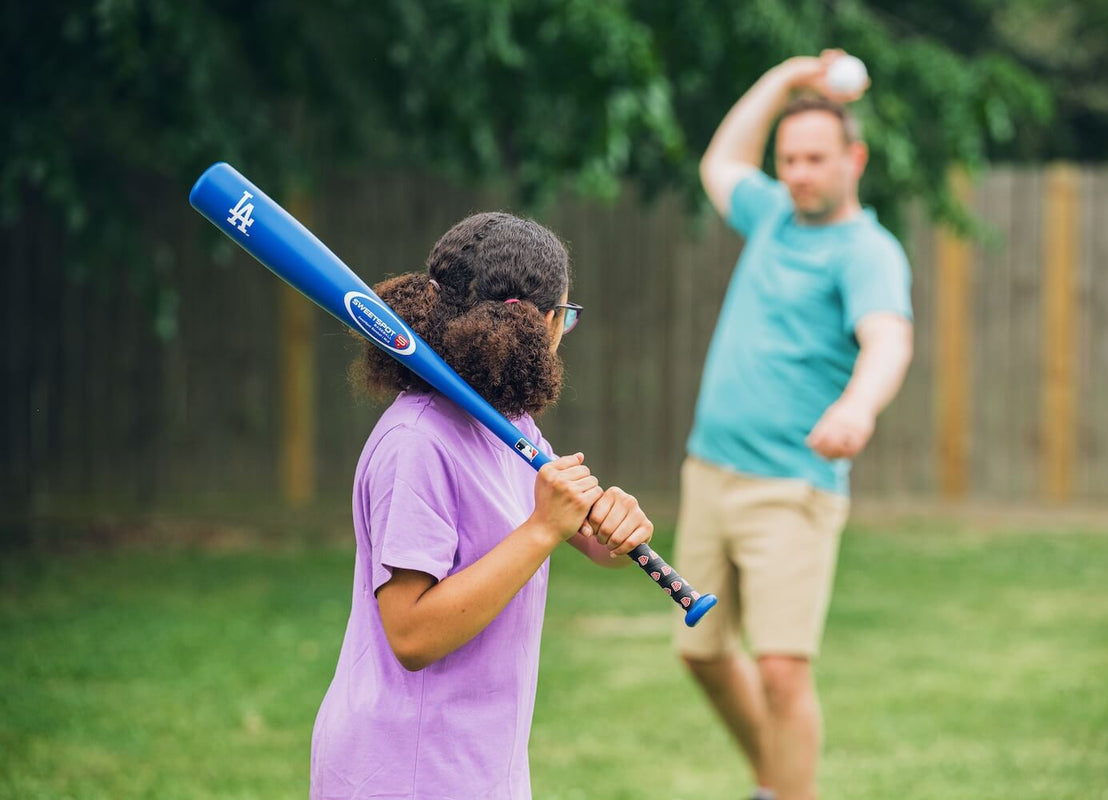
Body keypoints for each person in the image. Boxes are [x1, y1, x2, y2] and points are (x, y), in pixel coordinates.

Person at [310, 212, 653, 800]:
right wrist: (543, 529)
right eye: (565, 318)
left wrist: (619, 526)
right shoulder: (417, 442)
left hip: (478, 761)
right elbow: (412, 634)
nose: (562, 331)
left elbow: (592, 541)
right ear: (541, 320)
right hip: (406, 770)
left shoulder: (508, 423)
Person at [674, 50, 915, 800]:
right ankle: (773, 781)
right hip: (709, 472)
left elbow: (888, 339)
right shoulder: (774, 216)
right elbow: (720, 162)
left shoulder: (867, 252)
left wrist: (857, 405)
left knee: (781, 668)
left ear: (855, 159)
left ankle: (789, 793)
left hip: (791, 486)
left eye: (816, 159)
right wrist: (787, 76)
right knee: (701, 653)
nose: (800, 174)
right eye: (789, 160)